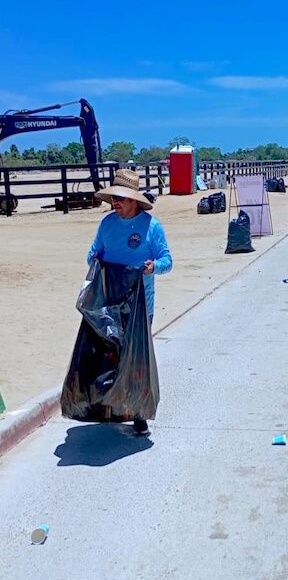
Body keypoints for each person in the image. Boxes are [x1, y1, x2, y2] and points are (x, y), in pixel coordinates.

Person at [88, 168, 173, 434]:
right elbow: (93, 254)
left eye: (121, 198)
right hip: (110, 302)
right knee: (110, 355)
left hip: (140, 306)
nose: (116, 203)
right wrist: (95, 261)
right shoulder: (107, 224)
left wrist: (152, 267)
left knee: (135, 360)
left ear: (134, 200)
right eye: (114, 198)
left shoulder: (152, 226)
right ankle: (111, 406)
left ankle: (138, 413)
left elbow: (167, 261)